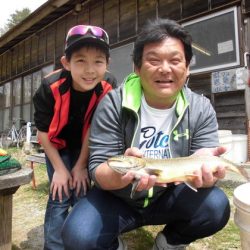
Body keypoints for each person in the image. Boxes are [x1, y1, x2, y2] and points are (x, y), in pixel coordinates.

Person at [61, 18, 230, 250]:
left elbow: (203, 158)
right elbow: (98, 170)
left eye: (175, 60)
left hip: (169, 196)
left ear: (188, 67)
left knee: (215, 206)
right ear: (137, 68)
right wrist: (121, 175)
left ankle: (169, 242)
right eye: (153, 60)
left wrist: (207, 172)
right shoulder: (113, 103)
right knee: (78, 236)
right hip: (117, 199)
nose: (164, 69)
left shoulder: (200, 108)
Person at [33, 24, 116, 250]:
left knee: (82, 190)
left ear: (107, 64)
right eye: (80, 60)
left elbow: (96, 127)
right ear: (66, 63)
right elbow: (42, 131)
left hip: (86, 145)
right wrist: (60, 169)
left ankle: (84, 240)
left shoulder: (109, 87)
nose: (90, 70)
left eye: (98, 61)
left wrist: (80, 166)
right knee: (60, 194)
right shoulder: (49, 87)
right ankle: (54, 246)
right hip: (55, 145)